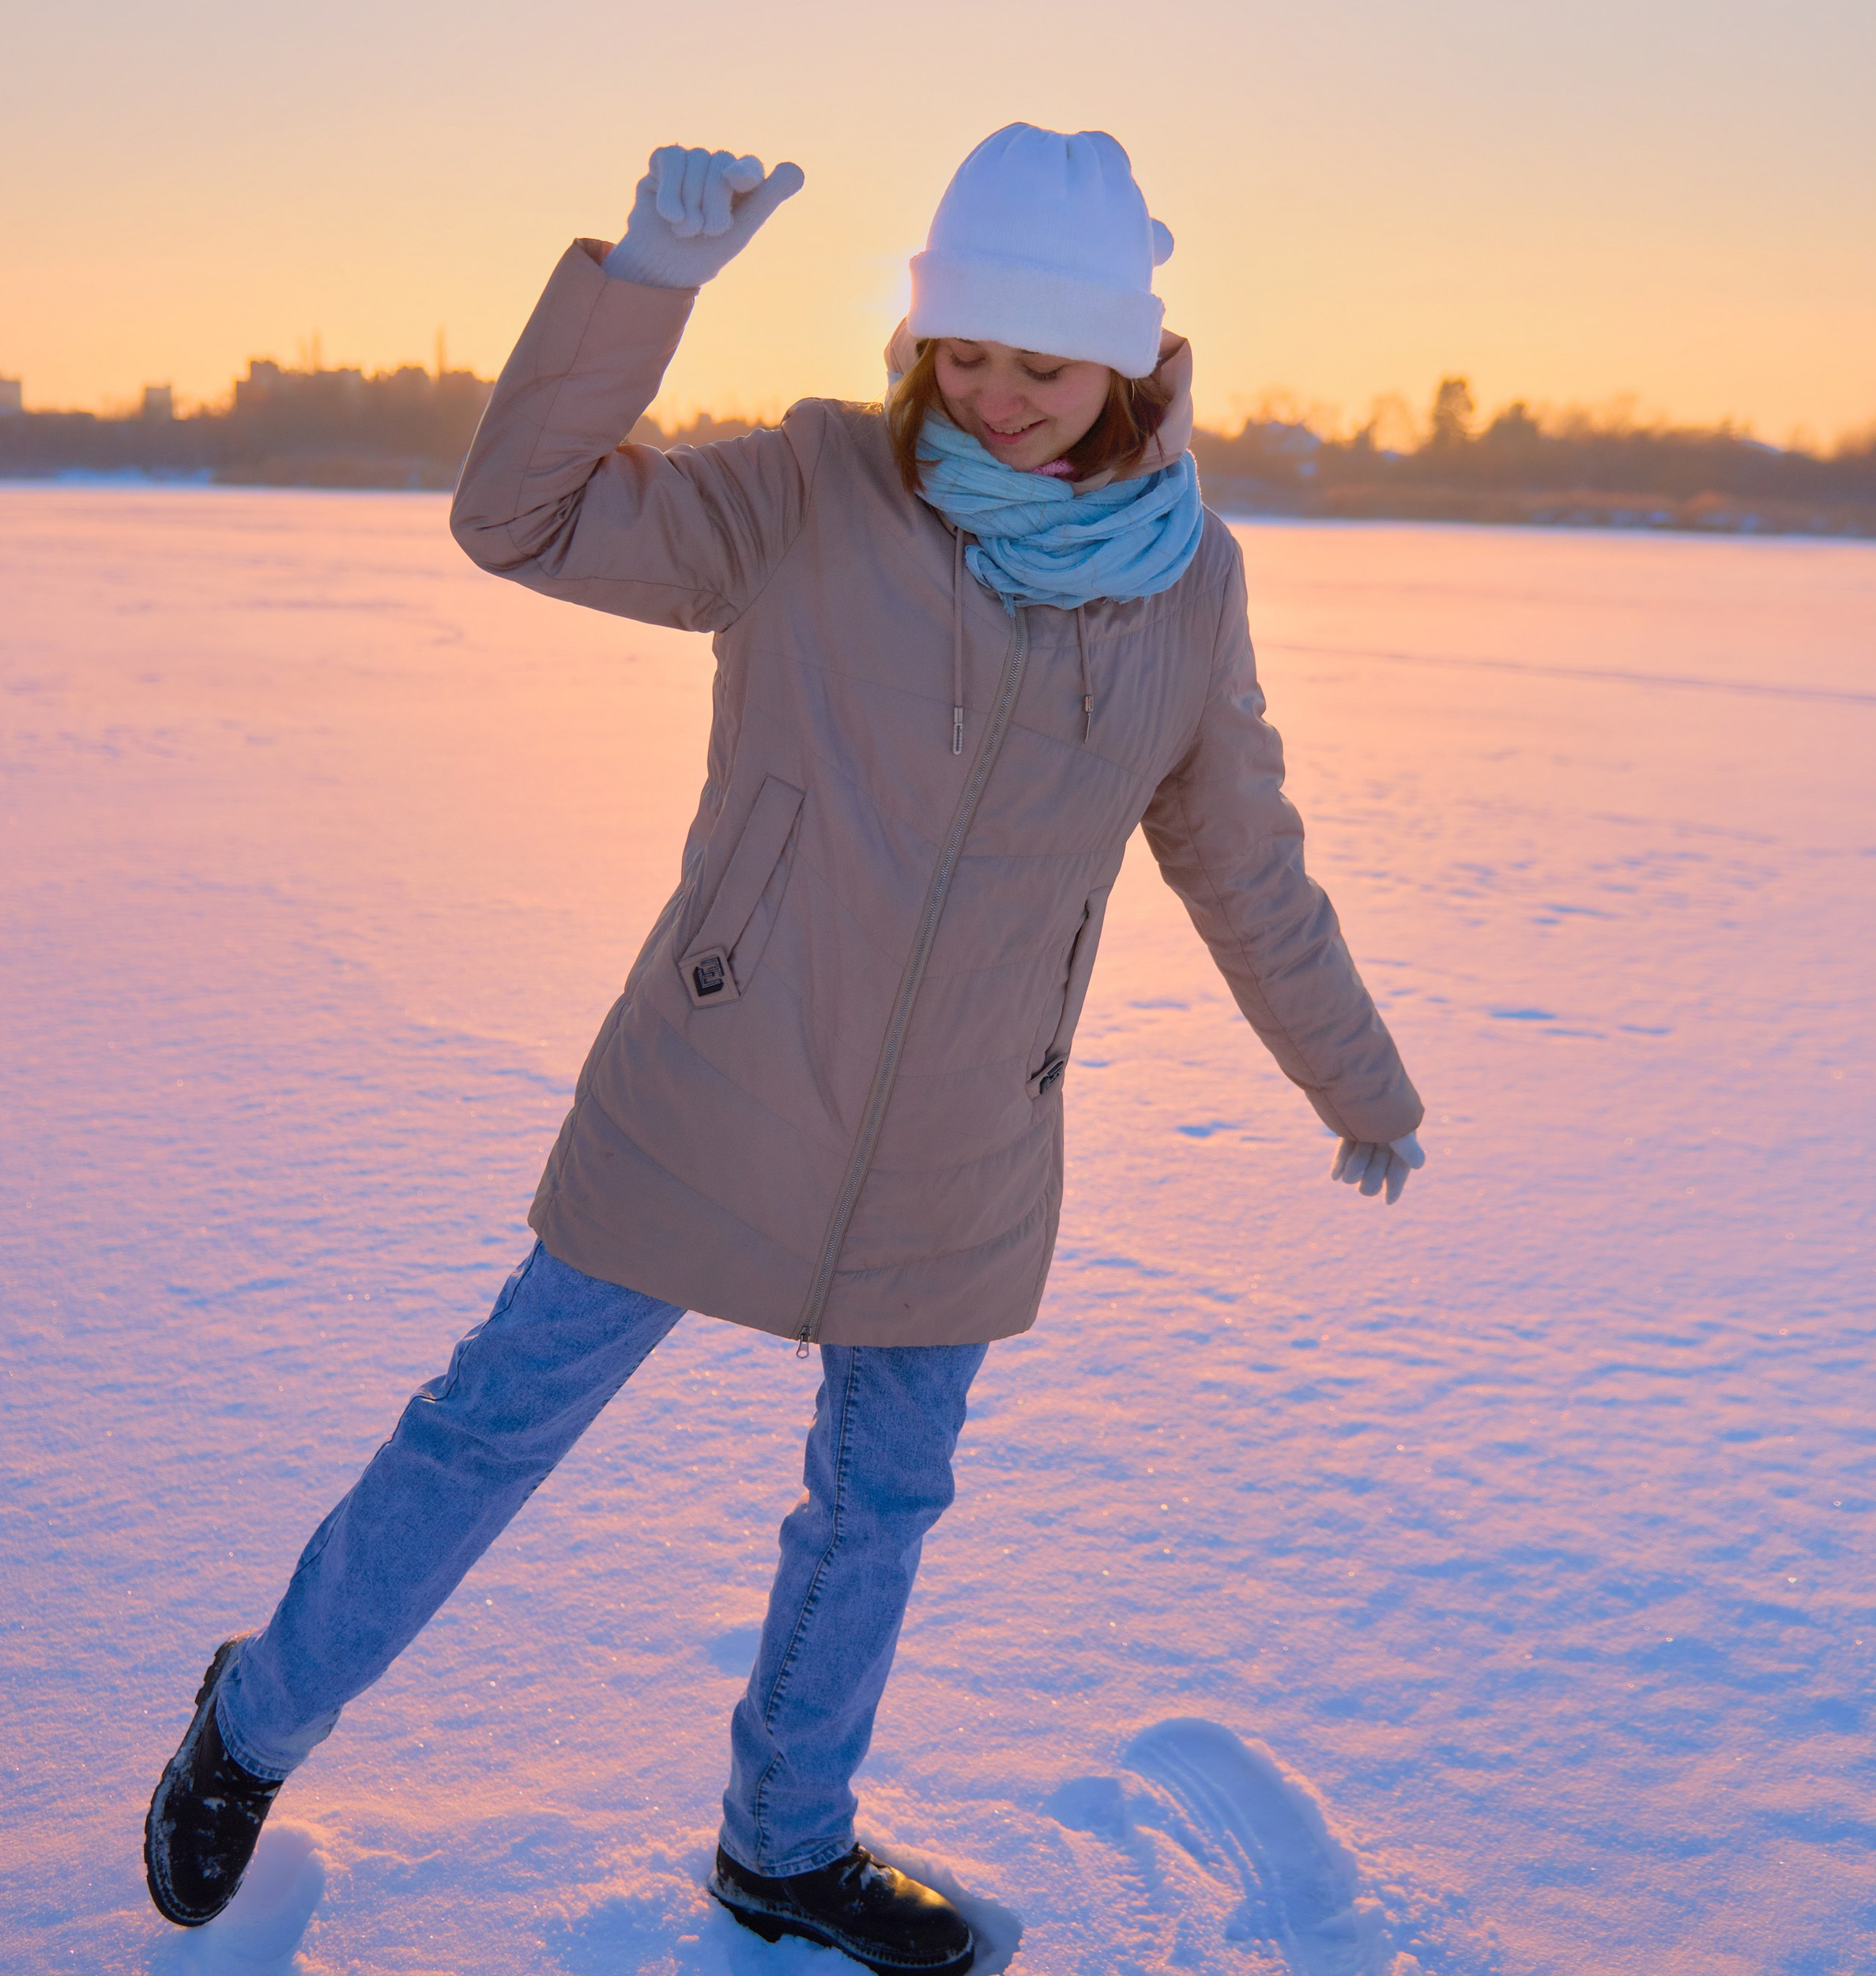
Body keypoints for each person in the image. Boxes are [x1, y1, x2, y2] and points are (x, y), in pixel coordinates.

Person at [143, 124, 1426, 1975]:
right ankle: (251, 1722)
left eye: (1036, 365)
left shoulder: (1186, 580)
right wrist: (642, 290)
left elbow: (1239, 854)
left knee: (878, 1505)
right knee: (492, 1424)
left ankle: (783, 1848)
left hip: (966, 1142)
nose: (987, 397)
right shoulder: (816, 486)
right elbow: (524, 517)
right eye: (957, 353)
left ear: (1131, 364)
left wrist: (1355, 1077)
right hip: (718, 1077)